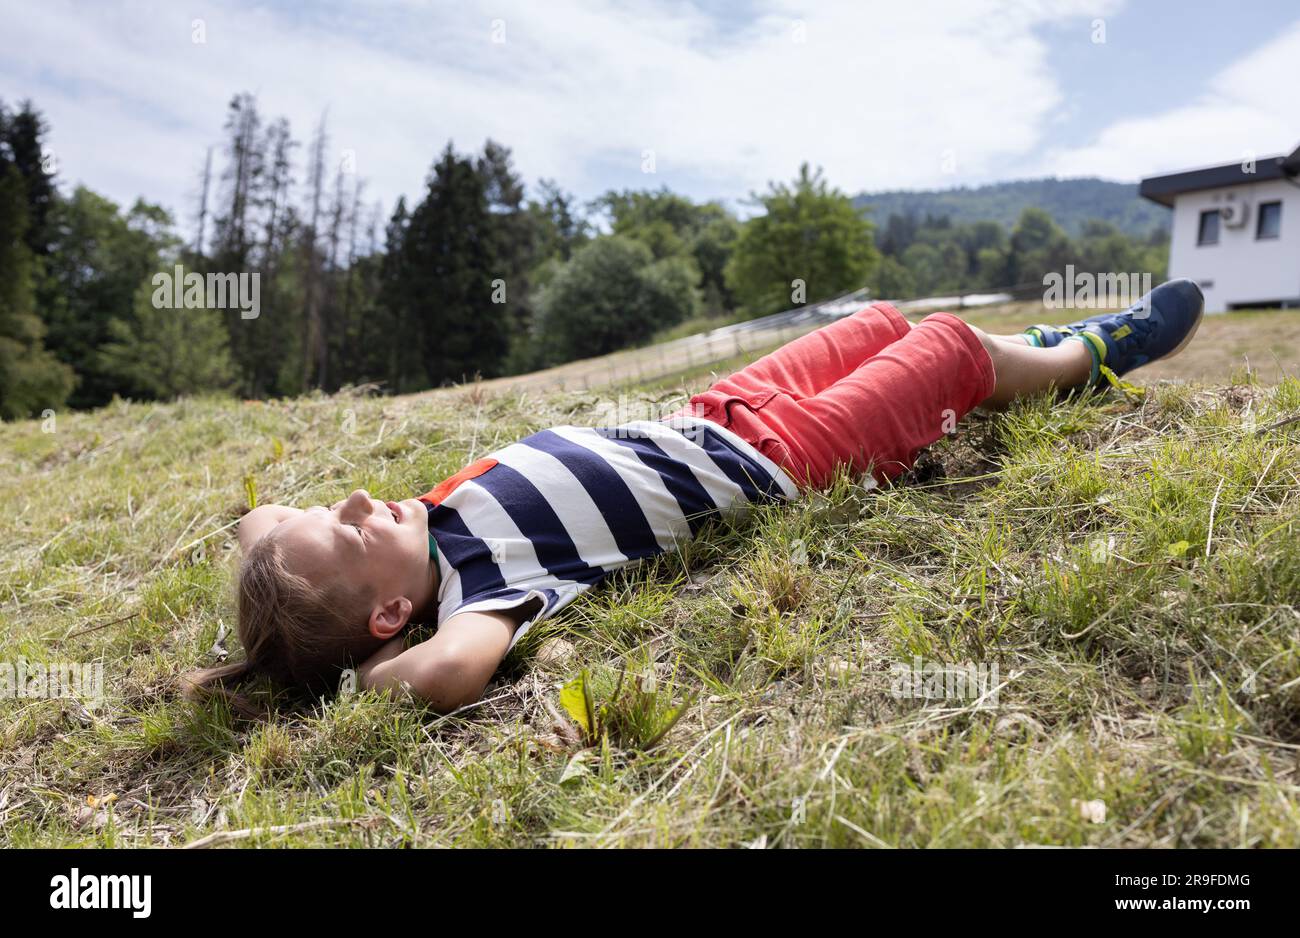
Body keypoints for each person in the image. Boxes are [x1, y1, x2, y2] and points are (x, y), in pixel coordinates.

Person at [183, 279, 1204, 715]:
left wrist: (281, 568)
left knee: (879, 319)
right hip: (786, 457)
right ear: (390, 614)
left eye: (337, 503)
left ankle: (1007, 357)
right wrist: (354, 682)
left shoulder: (419, 525)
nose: (361, 497)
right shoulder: (486, 589)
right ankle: (1084, 355)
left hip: (719, 410)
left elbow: (262, 523)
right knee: (938, 344)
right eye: (348, 525)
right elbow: (448, 673)